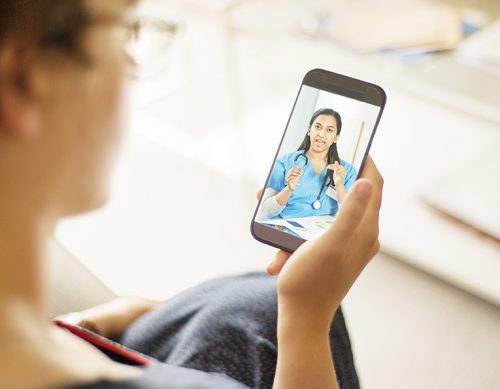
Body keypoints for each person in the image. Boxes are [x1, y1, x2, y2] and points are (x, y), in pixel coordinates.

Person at [0, 1, 383, 389]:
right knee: (280, 307)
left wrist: (92, 322)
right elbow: (275, 210)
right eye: (123, 33)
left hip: (82, 339)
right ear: (30, 78)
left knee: (264, 304)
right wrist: (307, 320)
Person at [256, 108, 357, 221]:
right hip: (283, 228)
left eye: (329, 130)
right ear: (309, 130)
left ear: (336, 137)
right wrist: (289, 189)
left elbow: (349, 216)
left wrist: (339, 185)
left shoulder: (347, 171)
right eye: (317, 127)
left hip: (320, 235)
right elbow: (265, 211)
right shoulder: (285, 162)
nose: (321, 134)